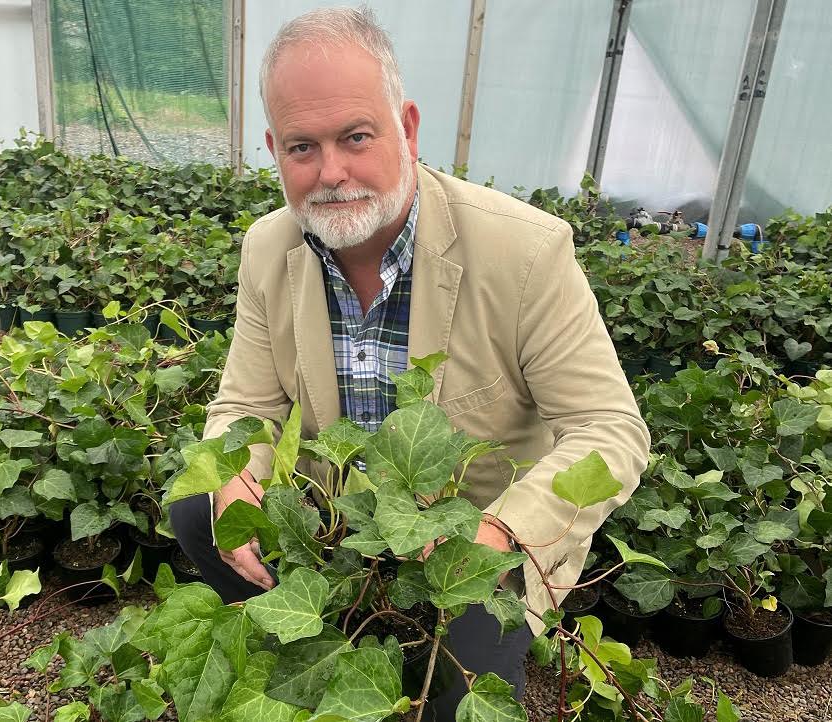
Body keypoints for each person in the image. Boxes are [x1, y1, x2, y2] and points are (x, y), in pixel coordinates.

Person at [170, 6, 650, 718]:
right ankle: (314, 639)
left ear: (408, 127)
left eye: (356, 137)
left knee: (457, 699)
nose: (331, 172)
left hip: (470, 540)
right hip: (339, 525)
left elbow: (611, 429)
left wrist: (495, 533)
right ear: (273, 149)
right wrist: (237, 479)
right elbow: (246, 407)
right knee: (198, 505)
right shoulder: (269, 248)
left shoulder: (524, 251)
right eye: (301, 148)